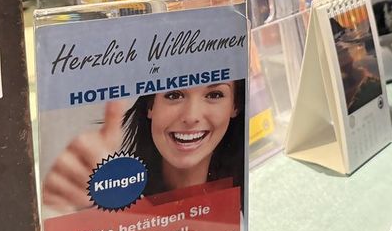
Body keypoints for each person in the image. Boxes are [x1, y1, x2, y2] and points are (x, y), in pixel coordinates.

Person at [42, 81, 246, 212]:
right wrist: (65, 208)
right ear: (150, 106)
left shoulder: (242, 200)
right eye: (173, 94)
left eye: (214, 95)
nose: (191, 116)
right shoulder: (119, 196)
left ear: (235, 106)